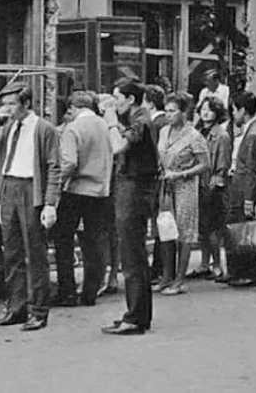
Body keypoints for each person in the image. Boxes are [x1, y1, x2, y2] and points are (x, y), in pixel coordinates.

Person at [0, 82, 60, 331]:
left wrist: (50, 203)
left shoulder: (44, 129)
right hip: (8, 187)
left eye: (12, 104)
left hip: (31, 189)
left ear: (26, 103)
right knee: (12, 252)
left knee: (35, 253)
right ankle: (16, 308)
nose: (6, 109)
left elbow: (54, 167)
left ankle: (38, 311)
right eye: (3, 104)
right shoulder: (6, 126)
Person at [100, 78, 159, 335]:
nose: (114, 103)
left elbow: (118, 146)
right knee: (134, 254)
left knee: (132, 255)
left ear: (131, 99)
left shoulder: (141, 121)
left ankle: (135, 317)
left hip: (134, 189)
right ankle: (138, 314)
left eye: (117, 98)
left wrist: (111, 120)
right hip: (133, 188)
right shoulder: (139, 118)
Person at [53, 91, 113, 306]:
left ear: (73, 108)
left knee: (63, 239)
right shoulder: (104, 125)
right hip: (100, 191)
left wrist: (56, 182)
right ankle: (90, 292)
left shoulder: (73, 128)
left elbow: (69, 162)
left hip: (77, 190)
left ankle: (67, 291)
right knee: (93, 241)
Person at [155, 92, 209, 295]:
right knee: (165, 228)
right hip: (166, 185)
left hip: (185, 186)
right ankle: (166, 276)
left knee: (185, 231)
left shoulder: (194, 136)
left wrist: (182, 173)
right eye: (166, 111)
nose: (168, 115)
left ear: (184, 112)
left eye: (173, 111)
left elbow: (204, 164)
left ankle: (179, 279)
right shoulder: (164, 132)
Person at [223, 91, 256, 288]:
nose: (234, 115)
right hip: (242, 186)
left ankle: (245, 272)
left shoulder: (253, 134)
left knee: (241, 230)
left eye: (235, 110)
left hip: (243, 189)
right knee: (240, 228)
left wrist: (249, 198)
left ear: (242, 110)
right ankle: (240, 271)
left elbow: (252, 168)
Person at [190, 96, 232, 281]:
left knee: (213, 227)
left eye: (210, 110)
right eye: (203, 109)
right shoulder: (197, 132)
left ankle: (216, 263)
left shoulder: (221, 135)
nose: (205, 113)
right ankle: (204, 263)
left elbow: (223, 164)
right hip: (197, 183)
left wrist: (215, 183)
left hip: (213, 185)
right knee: (202, 228)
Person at [143, 84, 169, 285]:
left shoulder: (155, 124)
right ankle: (161, 266)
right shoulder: (163, 121)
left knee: (160, 223)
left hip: (156, 180)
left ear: (150, 104)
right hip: (162, 178)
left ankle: (158, 267)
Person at [96, 93, 120, 297]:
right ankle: (106, 274)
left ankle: (111, 274)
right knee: (105, 232)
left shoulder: (115, 129)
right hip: (103, 184)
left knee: (111, 232)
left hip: (113, 185)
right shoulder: (100, 127)